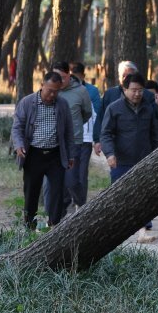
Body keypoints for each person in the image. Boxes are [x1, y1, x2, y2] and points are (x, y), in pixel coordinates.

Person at [11, 71, 74, 229]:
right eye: (50, 90)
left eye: (56, 91)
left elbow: (69, 131)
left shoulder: (62, 104)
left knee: (57, 192)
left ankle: (54, 225)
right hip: (33, 154)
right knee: (31, 192)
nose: (52, 95)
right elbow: (17, 127)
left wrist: (71, 155)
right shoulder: (27, 102)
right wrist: (19, 145)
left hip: (55, 155)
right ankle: (29, 227)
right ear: (42, 86)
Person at [99, 72, 158, 183]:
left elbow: (156, 133)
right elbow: (106, 133)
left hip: (145, 161)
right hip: (121, 162)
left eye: (140, 90)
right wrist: (110, 154)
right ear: (125, 90)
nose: (137, 94)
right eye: (134, 90)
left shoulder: (149, 108)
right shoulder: (114, 108)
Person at [45, 61, 92, 214]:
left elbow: (86, 113)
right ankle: (53, 218)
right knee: (50, 183)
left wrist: (74, 126)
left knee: (71, 181)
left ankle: (80, 202)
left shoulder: (81, 91)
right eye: (56, 77)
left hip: (73, 143)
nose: (59, 81)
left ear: (69, 75)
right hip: (51, 143)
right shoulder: (50, 90)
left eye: (62, 77)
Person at [71, 62, 101, 206]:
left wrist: (96, 138)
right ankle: (70, 200)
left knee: (82, 172)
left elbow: (97, 115)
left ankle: (81, 204)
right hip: (70, 139)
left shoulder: (92, 91)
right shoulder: (65, 90)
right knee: (70, 171)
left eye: (79, 77)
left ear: (83, 76)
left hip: (86, 139)